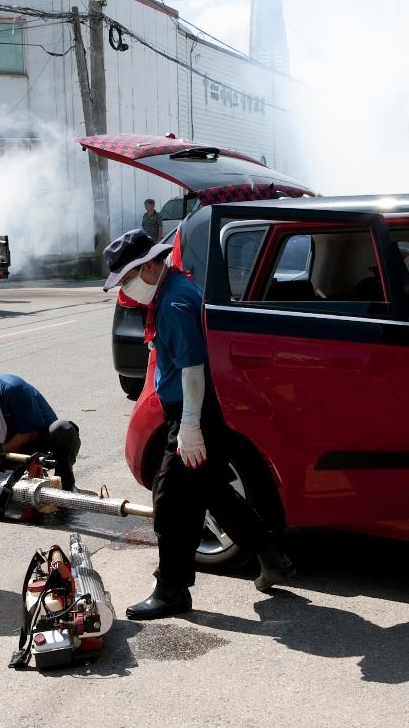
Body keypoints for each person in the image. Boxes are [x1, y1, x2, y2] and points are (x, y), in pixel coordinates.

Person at [102, 228, 295, 621]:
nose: (127, 288)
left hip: (193, 414)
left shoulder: (173, 304)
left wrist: (189, 426)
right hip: (196, 411)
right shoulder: (173, 290)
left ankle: (171, 590)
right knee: (213, 492)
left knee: (169, 501)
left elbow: (193, 368)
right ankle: (272, 558)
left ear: (152, 265)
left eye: (128, 278)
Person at [0, 370, 81, 492]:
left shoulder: (11, 388)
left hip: (37, 446)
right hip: (4, 452)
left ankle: (64, 485)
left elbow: (31, 432)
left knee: (63, 429)